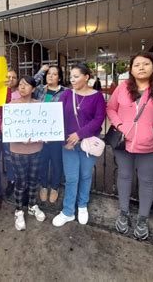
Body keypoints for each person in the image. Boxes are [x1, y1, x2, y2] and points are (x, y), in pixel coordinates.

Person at [106, 52, 153, 240]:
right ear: (131, 69)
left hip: (152, 146)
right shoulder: (122, 88)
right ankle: (123, 213)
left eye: (146, 64)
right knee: (124, 175)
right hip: (124, 143)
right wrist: (120, 125)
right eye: (136, 64)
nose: (141, 67)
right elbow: (111, 109)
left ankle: (142, 218)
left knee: (146, 180)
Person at [52, 63, 106, 227]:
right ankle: (68, 211)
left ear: (86, 77)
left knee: (85, 176)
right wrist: (63, 140)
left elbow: (98, 120)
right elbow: (57, 116)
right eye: (71, 76)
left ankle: (82, 205)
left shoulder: (97, 97)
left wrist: (79, 134)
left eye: (76, 76)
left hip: (87, 144)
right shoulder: (67, 94)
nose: (72, 79)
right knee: (71, 178)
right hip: (68, 145)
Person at [10, 76, 47, 230]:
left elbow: (46, 126)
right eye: (20, 85)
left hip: (36, 149)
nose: (22, 87)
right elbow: (4, 128)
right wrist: (19, 138)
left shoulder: (39, 106)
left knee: (33, 180)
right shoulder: (12, 105)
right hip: (18, 150)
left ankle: (32, 205)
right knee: (21, 182)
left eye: (26, 85)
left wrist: (47, 134)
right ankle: (18, 210)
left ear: (33, 88)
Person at [33, 64, 66, 203]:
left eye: (54, 74)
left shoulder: (65, 92)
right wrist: (41, 71)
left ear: (59, 78)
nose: (50, 76)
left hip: (56, 135)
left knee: (57, 162)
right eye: (49, 74)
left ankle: (54, 187)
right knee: (43, 162)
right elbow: (30, 82)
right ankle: (44, 186)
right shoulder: (40, 90)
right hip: (41, 135)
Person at [3, 69, 20, 197]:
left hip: (19, 130)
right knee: (8, 157)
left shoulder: (21, 93)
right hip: (5, 131)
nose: (11, 79)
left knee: (19, 157)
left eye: (14, 77)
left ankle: (20, 180)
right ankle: (11, 180)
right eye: (8, 77)